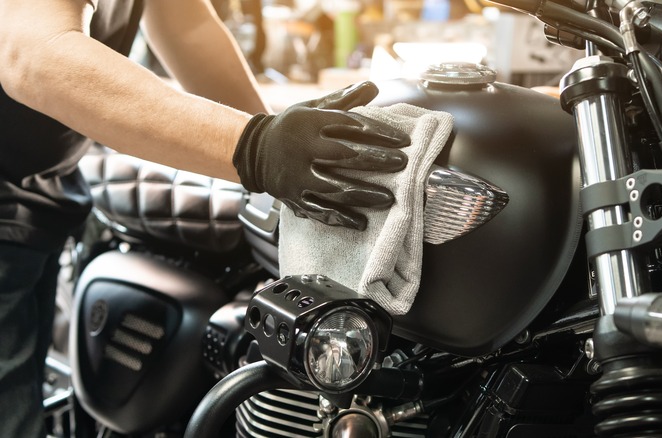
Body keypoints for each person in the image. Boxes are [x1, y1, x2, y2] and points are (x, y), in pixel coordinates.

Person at [0, 1, 410, 437]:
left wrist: (274, 135)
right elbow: (34, 56)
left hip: (39, 191)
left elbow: (187, 27)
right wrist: (255, 148)